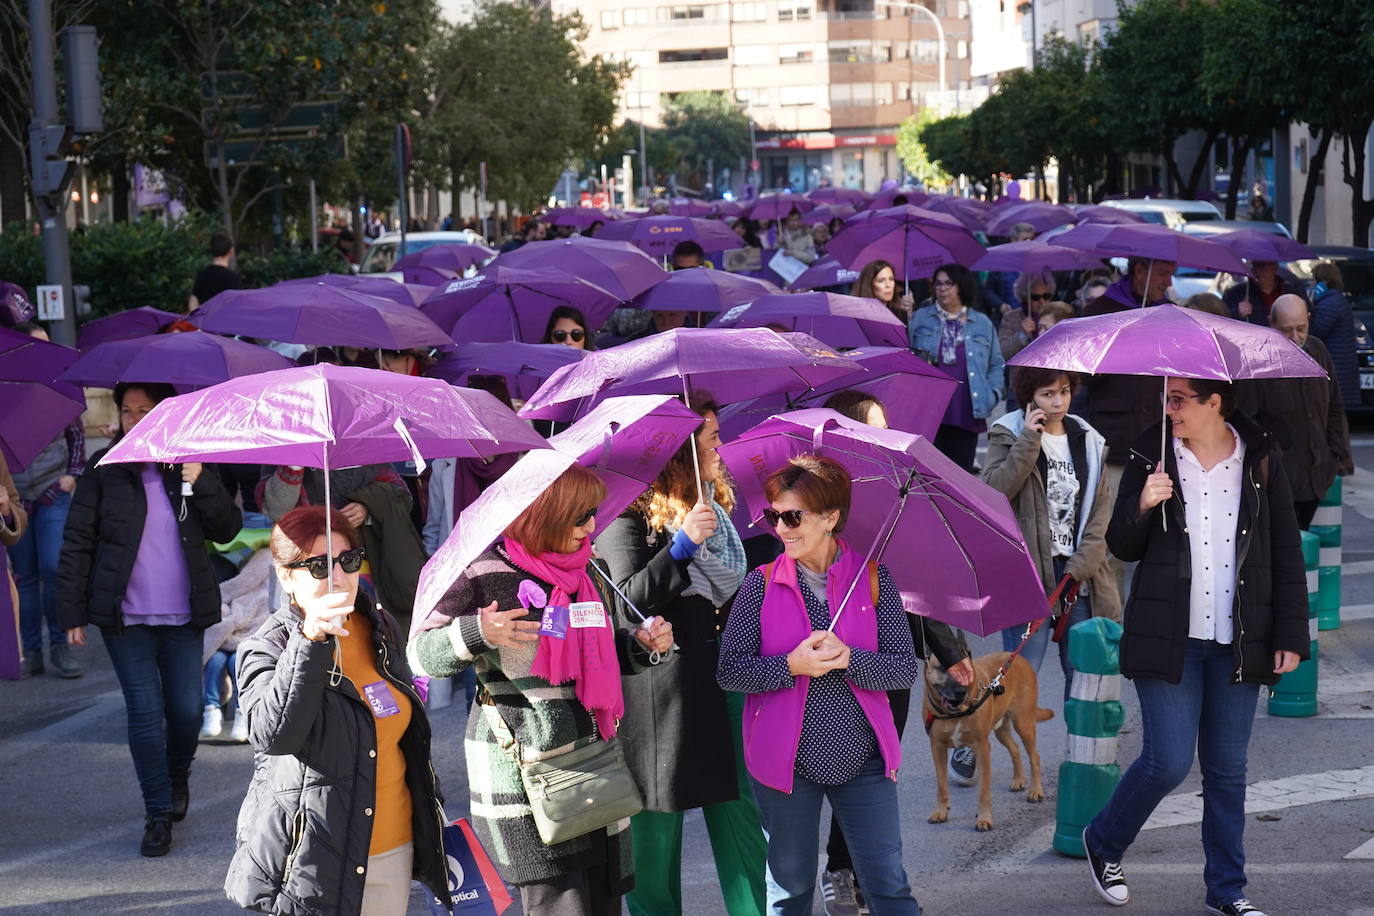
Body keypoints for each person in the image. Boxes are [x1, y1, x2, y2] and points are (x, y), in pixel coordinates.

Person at [1081, 378, 1306, 916]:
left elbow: (1285, 549)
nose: (1169, 408)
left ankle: (1227, 890)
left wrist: (1291, 635)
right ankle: (1105, 840)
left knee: (1228, 770)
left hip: (1240, 638)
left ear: (1215, 402)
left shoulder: (1261, 457)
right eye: (1167, 397)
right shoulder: (1151, 452)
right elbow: (1120, 546)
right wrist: (1142, 501)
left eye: (1180, 399)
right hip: (1169, 636)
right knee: (1168, 762)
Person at [408, 464, 674, 915]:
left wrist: (641, 646)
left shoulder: (592, 569)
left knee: (606, 901)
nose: (591, 526)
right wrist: (478, 633)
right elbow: (420, 657)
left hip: (596, 765)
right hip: (527, 778)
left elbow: (599, 656)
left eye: (593, 513)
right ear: (543, 513)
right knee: (559, 905)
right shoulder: (482, 572)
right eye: (578, 515)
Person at [717, 455, 922, 916]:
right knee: (788, 892)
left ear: (831, 518)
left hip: (864, 757)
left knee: (888, 885)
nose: (781, 528)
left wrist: (850, 659)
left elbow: (902, 669)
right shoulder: (760, 585)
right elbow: (729, 670)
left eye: (794, 516)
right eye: (774, 516)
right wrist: (791, 665)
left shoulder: (873, 579)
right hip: (784, 764)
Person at [224, 507, 450, 915]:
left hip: (391, 847)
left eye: (348, 560)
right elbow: (274, 736)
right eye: (318, 565)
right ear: (284, 575)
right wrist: (310, 640)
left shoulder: (379, 627)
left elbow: (403, 735)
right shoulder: (267, 646)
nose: (339, 575)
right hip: (314, 860)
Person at [597, 396, 768, 916]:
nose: (721, 448)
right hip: (658, 690)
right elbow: (628, 599)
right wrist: (681, 547)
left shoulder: (711, 507)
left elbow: (732, 589)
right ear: (681, 450)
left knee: (738, 808)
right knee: (655, 822)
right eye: (713, 439)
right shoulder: (626, 512)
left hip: (721, 674)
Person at [58, 381, 243, 856]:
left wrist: (200, 479)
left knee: (183, 712)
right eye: (128, 410)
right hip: (125, 618)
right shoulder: (105, 469)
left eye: (147, 410)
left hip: (184, 615)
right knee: (144, 712)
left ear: (167, 414)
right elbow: (77, 541)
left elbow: (227, 530)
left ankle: (177, 776)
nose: (135, 419)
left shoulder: (190, 462)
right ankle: (157, 812)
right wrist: (72, 610)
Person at [815, 393, 972, 914]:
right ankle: (840, 870)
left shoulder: (900, 495)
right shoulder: (819, 500)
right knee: (843, 764)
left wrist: (949, 651)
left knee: (880, 765)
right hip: (836, 649)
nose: (886, 433)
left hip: (893, 652)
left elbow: (919, 590)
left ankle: (868, 876)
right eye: (875, 425)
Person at [983, 367, 1120, 696]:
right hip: (1027, 574)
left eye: (1064, 391)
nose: (1058, 402)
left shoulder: (1087, 438)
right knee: (1017, 678)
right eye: (1047, 394)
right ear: (1029, 397)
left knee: (1084, 679)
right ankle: (998, 748)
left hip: (1077, 576)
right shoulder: (1010, 431)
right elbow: (992, 492)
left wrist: (1084, 562)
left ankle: (1081, 750)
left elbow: (1100, 507)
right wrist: (1029, 440)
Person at [1079, 256, 1179, 595]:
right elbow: (1082, 374)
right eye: (1164, 272)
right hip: (1115, 449)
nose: (1169, 282)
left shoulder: (1170, 315)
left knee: (1162, 539)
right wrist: (1120, 341)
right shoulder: (1100, 311)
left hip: (1160, 444)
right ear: (1140, 270)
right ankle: (1113, 624)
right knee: (1114, 541)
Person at [259, 462, 424, 632]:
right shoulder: (283, 449)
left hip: (359, 557)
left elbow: (402, 495)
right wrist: (294, 466)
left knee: (364, 624)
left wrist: (367, 506)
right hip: (304, 563)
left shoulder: (359, 443)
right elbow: (276, 509)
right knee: (303, 625)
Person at [1235, 295, 1353, 529]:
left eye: (1301, 328)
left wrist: (1338, 452)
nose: (1296, 337)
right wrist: (1272, 459)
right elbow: (1247, 419)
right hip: (1281, 476)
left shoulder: (1317, 349)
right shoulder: (1258, 360)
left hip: (1318, 472)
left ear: (1309, 320)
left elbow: (1335, 405)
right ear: (1271, 323)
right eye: (1287, 330)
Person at [10, 324, 84, 678]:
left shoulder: (60, 381)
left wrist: (71, 475)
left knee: (54, 568)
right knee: (25, 577)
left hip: (54, 488)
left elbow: (76, 434)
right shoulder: (6, 388)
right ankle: (31, 652)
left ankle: (61, 647)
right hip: (15, 496)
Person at [909, 263, 1005, 474]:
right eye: (938, 284)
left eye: (949, 283)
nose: (942, 288)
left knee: (961, 477)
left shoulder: (982, 322)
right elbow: (907, 355)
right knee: (929, 476)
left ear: (961, 286)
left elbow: (996, 363)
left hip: (967, 410)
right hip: (929, 410)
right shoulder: (921, 318)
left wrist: (994, 394)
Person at [199, 548, 274, 742]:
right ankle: (211, 708)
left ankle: (243, 712)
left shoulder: (269, 578)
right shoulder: (225, 571)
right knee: (214, 660)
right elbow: (227, 597)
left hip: (247, 638)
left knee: (238, 662)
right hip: (227, 639)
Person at [1307, 261, 1360, 410]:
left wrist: (1309, 310)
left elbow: (1318, 331)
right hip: (1343, 364)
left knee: (1333, 408)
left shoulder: (1329, 304)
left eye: (1313, 280)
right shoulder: (1338, 300)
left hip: (1336, 364)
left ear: (1322, 283)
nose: (1310, 283)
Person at [999, 270, 1057, 360]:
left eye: (1046, 296)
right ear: (1024, 297)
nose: (1042, 301)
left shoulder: (1056, 315)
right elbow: (1002, 353)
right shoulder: (1010, 318)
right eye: (1035, 297)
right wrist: (1022, 335)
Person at [1222, 261, 1300, 326]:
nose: (1259, 270)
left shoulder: (1291, 292)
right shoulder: (1236, 294)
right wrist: (1237, 313)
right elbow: (1222, 321)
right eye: (1255, 265)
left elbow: (1309, 319)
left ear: (1275, 267)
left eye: (1264, 265)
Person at [188, 231, 243, 311]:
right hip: (226, 322)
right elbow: (239, 306)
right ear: (230, 251)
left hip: (206, 322)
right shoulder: (233, 278)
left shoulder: (202, 275)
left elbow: (192, 305)